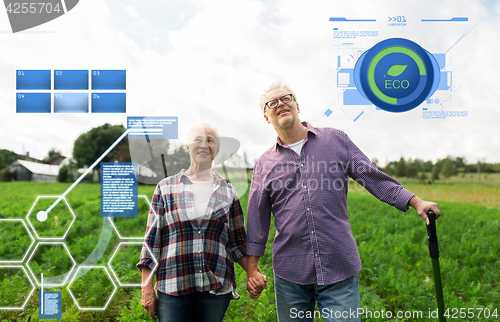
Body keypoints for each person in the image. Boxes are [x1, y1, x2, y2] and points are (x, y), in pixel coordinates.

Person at [244, 81, 441, 322]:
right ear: (266, 117)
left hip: (338, 267)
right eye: (271, 103)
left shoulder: (335, 140)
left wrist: (415, 201)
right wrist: (251, 267)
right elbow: (257, 218)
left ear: (297, 104)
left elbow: (372, 177)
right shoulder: (264, 164)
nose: (280, 104)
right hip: (290, 273)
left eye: (285, 98)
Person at [137, 123, 267, 322]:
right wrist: (146, 287)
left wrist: (253, 272)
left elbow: (238, 243)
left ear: (216, 150)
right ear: (188, 147)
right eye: (198, 139)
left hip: (215, 287)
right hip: (173, 285)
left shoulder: (228, 192)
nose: (204, 144)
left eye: (210, 140)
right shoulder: (165, 188)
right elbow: (151, 242)